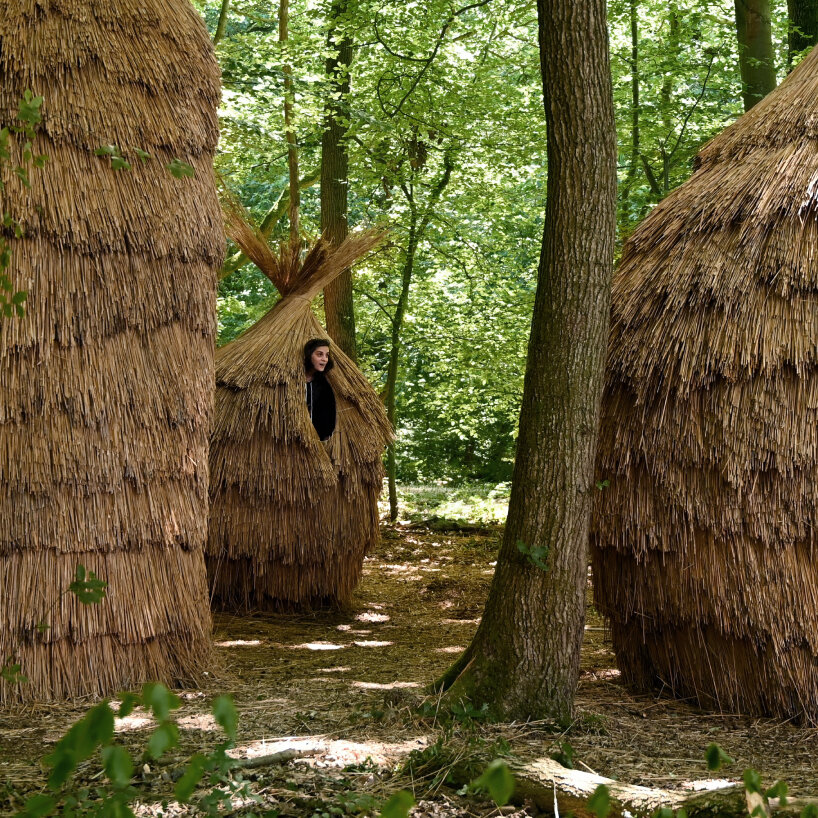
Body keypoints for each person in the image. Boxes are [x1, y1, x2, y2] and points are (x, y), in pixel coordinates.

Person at [304, 338, 337, 441]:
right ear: (309, 355)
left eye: (327, 355)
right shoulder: (293, 380)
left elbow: (329, 412)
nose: (325, 359)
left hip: (317, 439)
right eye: (319, 355)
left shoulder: (324, 384)